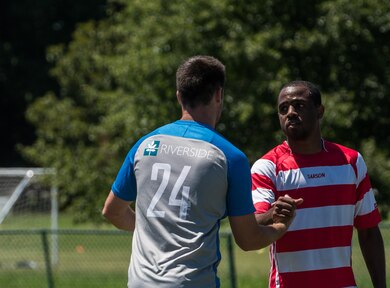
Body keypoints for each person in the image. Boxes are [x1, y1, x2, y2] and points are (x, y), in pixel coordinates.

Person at [102, 55, 301, 288]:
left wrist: (155, 228)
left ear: (179, 96)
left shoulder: (145, 145)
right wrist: (281, 226)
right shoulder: (230, 157)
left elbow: (112, 211)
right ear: (219, 94)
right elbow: (248, 239)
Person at [251, 80, 386, 288]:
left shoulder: (351, 162)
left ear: (320, 111)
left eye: (299, 105)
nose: (290, 112)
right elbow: (253, 224)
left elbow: (369, 232)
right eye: (283, 108)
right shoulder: (267, 167)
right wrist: (273, 213)